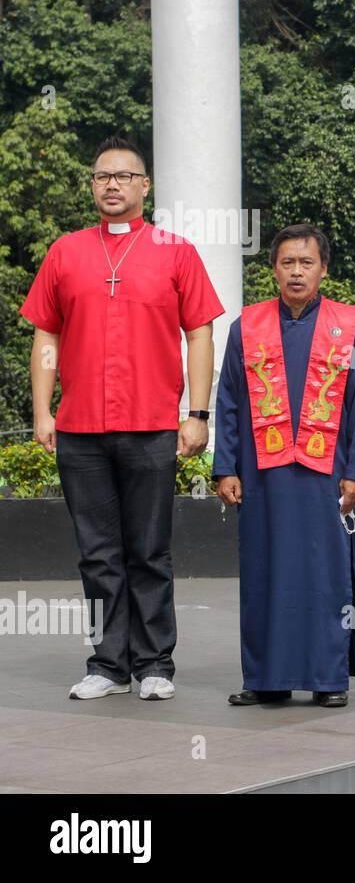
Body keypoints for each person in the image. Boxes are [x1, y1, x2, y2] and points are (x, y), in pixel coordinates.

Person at [20, 135, 224, 701]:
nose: (111, 184)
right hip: (81, 427)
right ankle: (108, 663)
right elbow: (46, 335)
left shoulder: (174, 250)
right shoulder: (66, 252)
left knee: (149, 549)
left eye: (122, 175)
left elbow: (201, 331)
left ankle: (155, 662)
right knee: (97, 552)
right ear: (92, 186)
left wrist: (197, 413)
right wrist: (42, 410)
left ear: (143, 185)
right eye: (101, 176)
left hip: (151, 422)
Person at [214, 224, 355, 708]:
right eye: (288, 263)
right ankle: (266, 677)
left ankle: (328, 679)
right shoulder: (248, 326)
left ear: (324, 269)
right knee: (265, 571)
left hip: (326, 473)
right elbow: (228, 401)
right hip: (261, 473)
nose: (297, 272)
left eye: (307, 263)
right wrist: (225, 467)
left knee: (325, 573)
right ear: (273, 270)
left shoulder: (347, 326)